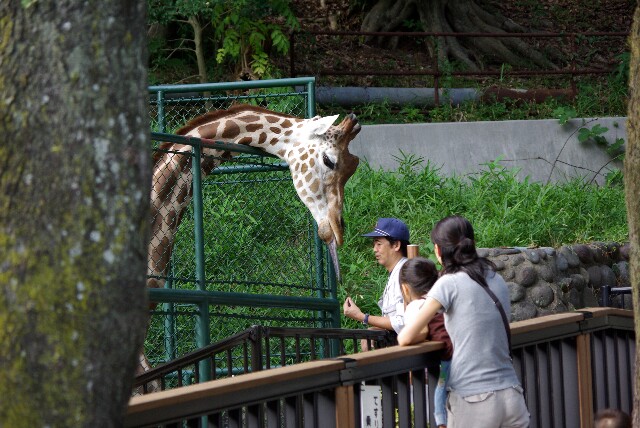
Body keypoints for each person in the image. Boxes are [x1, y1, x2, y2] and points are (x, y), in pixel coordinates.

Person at [398, 215, 530, 428]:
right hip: (512, 396)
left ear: (439, 251)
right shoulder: (496, 279)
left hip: (473, 401)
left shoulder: (448, 284)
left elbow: (406, 337)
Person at [400, 257, 452, 428]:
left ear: (405, 289)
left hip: (446, 360)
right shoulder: (442, 300)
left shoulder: (415, 306)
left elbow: (420, 332)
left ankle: (441, 423)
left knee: (438, 398)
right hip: (461, 354)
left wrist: (410, 339)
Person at [343, 218, 410, 342]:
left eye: (379, 244)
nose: (374, 249)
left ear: (396, 245)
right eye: (374, 244)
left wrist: (362, 317)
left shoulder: (406, 273)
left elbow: (403, 322)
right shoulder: (397, 272)